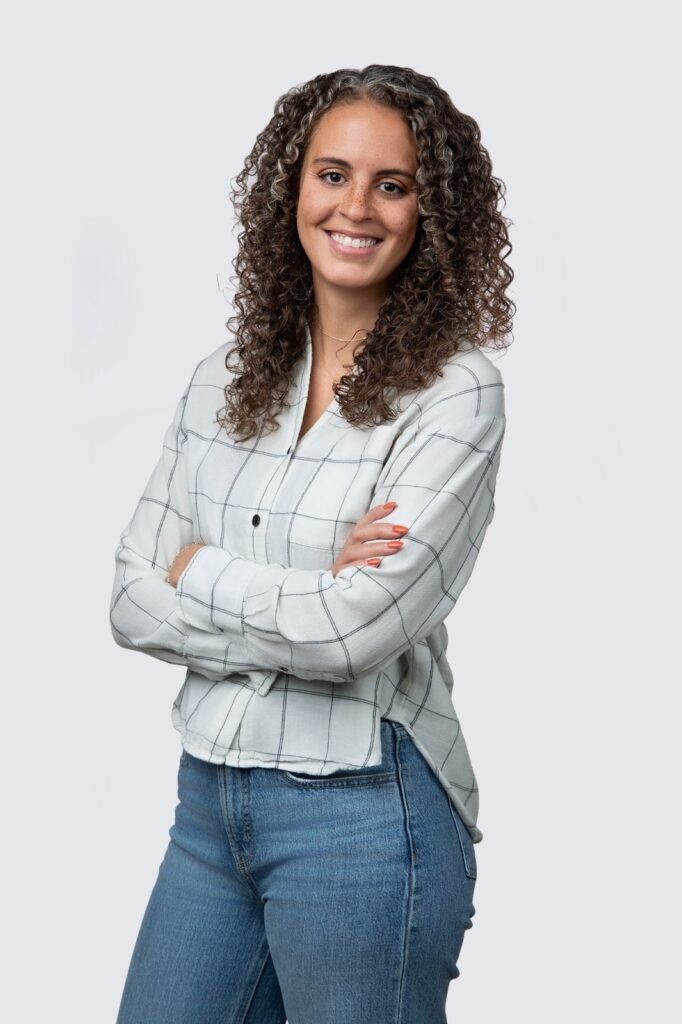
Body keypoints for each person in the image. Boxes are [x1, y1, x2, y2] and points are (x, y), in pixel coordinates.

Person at [110, 64, 513, 1024]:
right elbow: (128, 599)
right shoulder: (223, 379)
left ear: (431, 214)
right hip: (209, 808)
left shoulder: (456, 394)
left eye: (394, 184)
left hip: (365, 814)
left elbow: (352, 636)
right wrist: (309, 589)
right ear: (292, 187)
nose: (356, 208)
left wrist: (199, 572)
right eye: (332, 174)